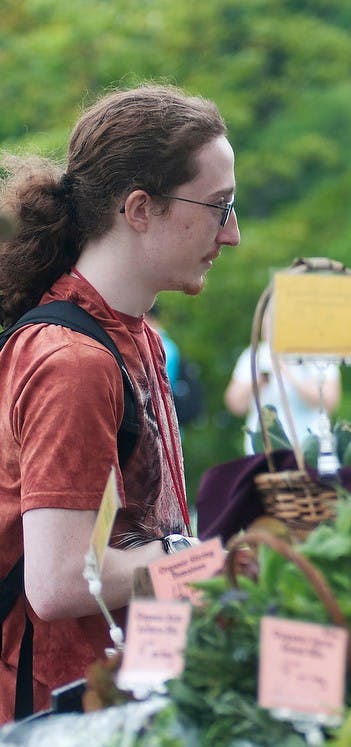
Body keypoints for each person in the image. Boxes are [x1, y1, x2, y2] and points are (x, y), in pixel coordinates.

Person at [0, 83, 239, 720]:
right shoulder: (73, 361)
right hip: (59, 716)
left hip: (123, 698)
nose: (233, 233)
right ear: (141, 208)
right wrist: (210, 560)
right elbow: (56, 583)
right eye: (220, 207)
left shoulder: (135, 338)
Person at [224, 332, 341, 455]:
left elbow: (330, 401)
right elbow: (235, 405)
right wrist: (259, 381)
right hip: (263, 451)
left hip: (311, 449)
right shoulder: (253, 355)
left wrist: (287, 372)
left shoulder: (316, 354)